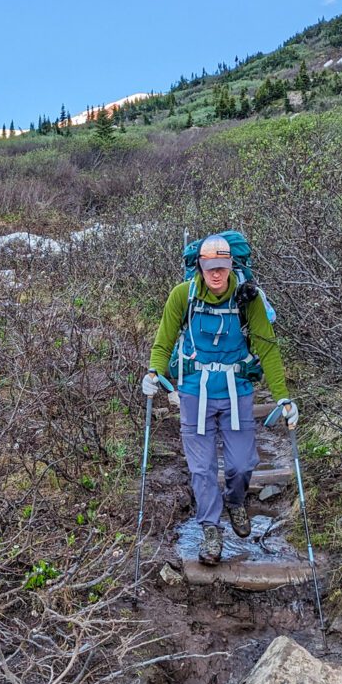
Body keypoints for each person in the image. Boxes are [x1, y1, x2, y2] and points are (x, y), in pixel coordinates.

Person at [143, 234, 297, 565]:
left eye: (222, 267)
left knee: (242, 464)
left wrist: (283, 398)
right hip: (194, 390)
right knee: (202, 469)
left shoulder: (247, 298)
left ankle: (236, 500)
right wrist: (154, 373)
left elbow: (267, 347)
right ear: (200, 265)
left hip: (236, 389)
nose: (216, 274)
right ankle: (211, 531)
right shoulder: (183, 295)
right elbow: (163, 342)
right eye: (210, 267)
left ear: (230, 265)